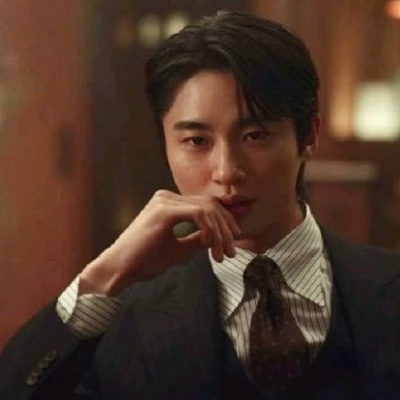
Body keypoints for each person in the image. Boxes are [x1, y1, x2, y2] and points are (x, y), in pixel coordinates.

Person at [1, 10, 400, 400]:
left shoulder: (385, 287)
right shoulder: (123, 316)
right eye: (196, 141)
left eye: (255, 135)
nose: (227, 171)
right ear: (165, 144)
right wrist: (103, 276)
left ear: (308, 135)